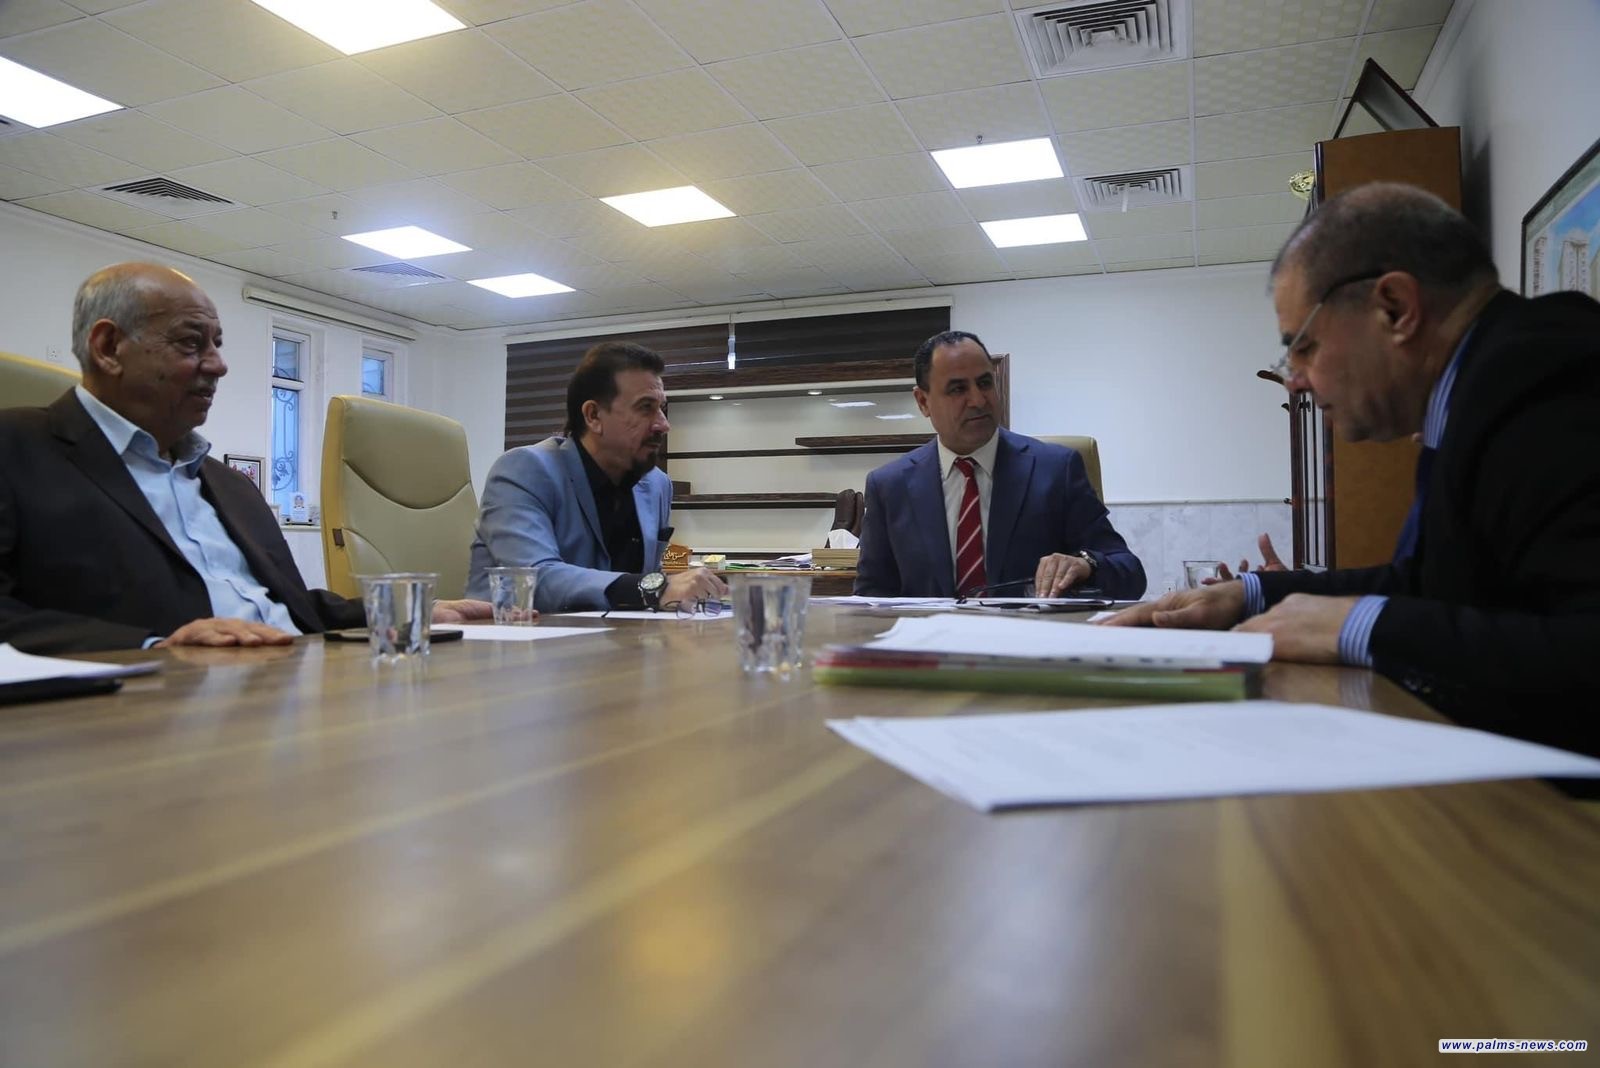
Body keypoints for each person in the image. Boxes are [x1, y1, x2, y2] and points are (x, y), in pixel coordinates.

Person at [1108, 182, 1600, 759]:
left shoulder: (1547, 381)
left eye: (1304, 347)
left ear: (1395, 309)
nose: (1294, 381)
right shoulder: (1475, 389)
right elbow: (1422, 583)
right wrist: (1249, 594)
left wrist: (1360, 627)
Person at [0, 262, 490, 654]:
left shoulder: (230, 485)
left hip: (297, 684)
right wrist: (155, 646)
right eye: (191, 343)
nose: (218, 365)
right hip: (147, 710)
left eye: (216, 344)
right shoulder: (16, 449)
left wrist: (402, 610)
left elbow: (288, 607)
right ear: (109, 347)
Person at [855, 330, 1145, 599]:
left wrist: (1086, 565)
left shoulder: (1056, 470)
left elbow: (1130, 574)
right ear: (923, 402)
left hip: (1027, 635)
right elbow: (871, 598)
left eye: (984, 383)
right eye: (957, 389)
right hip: (928, 638)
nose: (978, 400)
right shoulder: (890, 486)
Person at [466, 341, 726, 613]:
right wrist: (654, 588)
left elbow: (647, 577)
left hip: (620, 634)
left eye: (662, 408)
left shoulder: (656, 484)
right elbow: (533, 579)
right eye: (645, 407)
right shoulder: (524, 470)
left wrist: (685, 586)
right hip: (517, 635)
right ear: (593, 416)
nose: (663, 424)